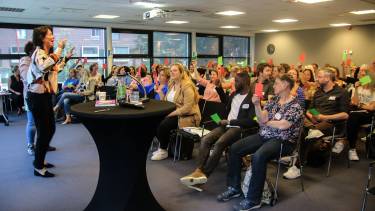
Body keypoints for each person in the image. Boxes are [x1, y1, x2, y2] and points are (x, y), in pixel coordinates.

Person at [217, 74, 303, 210]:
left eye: (276, 83)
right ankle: (234, 188)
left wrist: (267, 122)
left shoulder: (296, 105)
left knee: (259, 156)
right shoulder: (274, 100)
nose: (273, 86)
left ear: (285, 85)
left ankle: (253, 199)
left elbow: (283, 125)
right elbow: (260, 118)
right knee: (235, 148)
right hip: (265, 135)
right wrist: (257, 105)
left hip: (283, 140)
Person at [180, 72, 258, 187]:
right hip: (226, 125)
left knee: (219, 143)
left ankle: (204, 175)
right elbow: (226, 104)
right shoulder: (234, 95)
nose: (234, 83)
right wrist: (220, 118)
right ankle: (198, 170)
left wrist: (231, 122)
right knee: (206, 139)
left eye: (236, 81)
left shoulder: (253, 99)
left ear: (245, 82)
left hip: (238, 129)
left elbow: (252, 121)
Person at [283, 68, 349, 179]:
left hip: (332, 124)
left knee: (304, 131)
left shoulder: (342, 92)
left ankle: (297, 166)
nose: (317, 79)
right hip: (315, 122)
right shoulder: (318, 92)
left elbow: (345, 115)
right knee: (297, 119)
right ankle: (300, 149)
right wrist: (314, 116)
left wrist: (324, 117)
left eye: (320, 77)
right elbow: (310, 110)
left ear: (328, 78)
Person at [26, 25, 72, 177]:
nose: (53, 37)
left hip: (43, 97)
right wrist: (59, 49)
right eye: (50, 34)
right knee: (46, 131)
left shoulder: (45, 53)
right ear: (41, 38)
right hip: (37, 97)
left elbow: (54, 69)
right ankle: (38, 166)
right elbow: (45, 66)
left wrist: (67, 58)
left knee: (48, 130)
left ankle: (40, 160)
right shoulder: (39, 53)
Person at [151, 63, 201, 161]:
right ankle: (163, 145)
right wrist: (160, 93)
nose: (172, 72)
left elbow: (187, 108)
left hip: (187, 116)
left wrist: (169, 114)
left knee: (163, 125)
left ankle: (163, 150)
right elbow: (167, 102)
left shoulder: (187, 86)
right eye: (171, 70)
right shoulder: (172, 83)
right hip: (174, 113)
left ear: (181, 72)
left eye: (175, 70)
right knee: (154, 121)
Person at [347, 66, 375, 161]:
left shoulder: (373, 89)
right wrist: (356, 88)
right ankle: (348, 145)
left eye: (365, 74)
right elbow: (354, 102)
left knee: (352, 116)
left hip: (369, 115)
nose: (362, 76)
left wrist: (359, 105)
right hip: (357, 113)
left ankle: (351, 148)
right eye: (361, 74)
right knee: (350, 116)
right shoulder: (358, 88)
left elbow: (371, 107)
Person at [19, 41, 37, 155]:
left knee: (41, 122)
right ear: (31, 50)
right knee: (32, 122)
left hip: (40, 95)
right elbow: (27, 79)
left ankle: (41, 143)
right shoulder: (25, 62)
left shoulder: (36, 60)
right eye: (37, 49)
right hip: (30, 96)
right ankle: (30, 145)